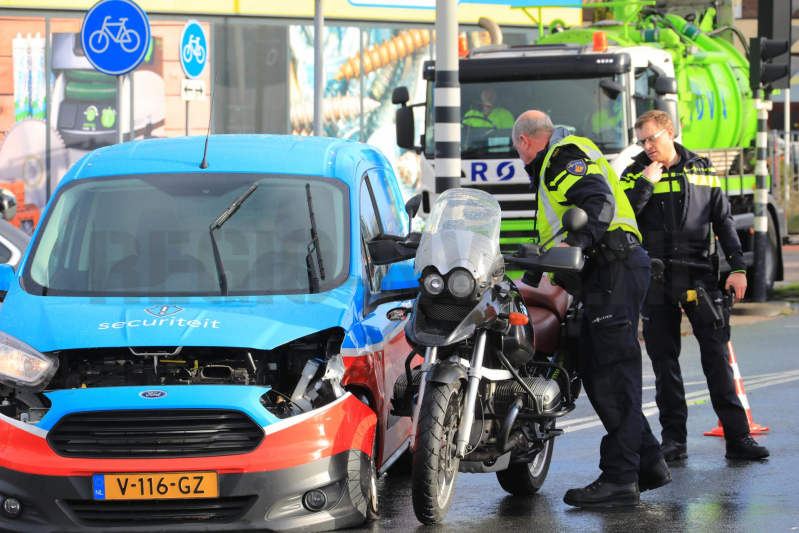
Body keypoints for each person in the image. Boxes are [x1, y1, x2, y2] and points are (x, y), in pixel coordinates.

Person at [512, 110, 671, 508]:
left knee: (613, 374)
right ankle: (648, 462)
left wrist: (576, 246)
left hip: (612, 266)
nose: (521, 158)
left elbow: (597, 202)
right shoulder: (559, 161)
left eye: (518, 151)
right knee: (596, 367)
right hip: (606, 273)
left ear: (525, 142)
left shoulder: (562, 157)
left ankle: (620, 480)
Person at [620, 110, 770, 461]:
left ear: (669, 132)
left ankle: (738, 438)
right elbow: (623, 217)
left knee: (717, 358)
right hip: (655, 276)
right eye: (641, 139)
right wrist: (646, 183)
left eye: (652, 137)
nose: (647, 145)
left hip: (699, 274)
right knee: (664, 363)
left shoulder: (701, 168)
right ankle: (674, 440)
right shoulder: (634, 173)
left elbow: (724, 220)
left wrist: (738, 267)